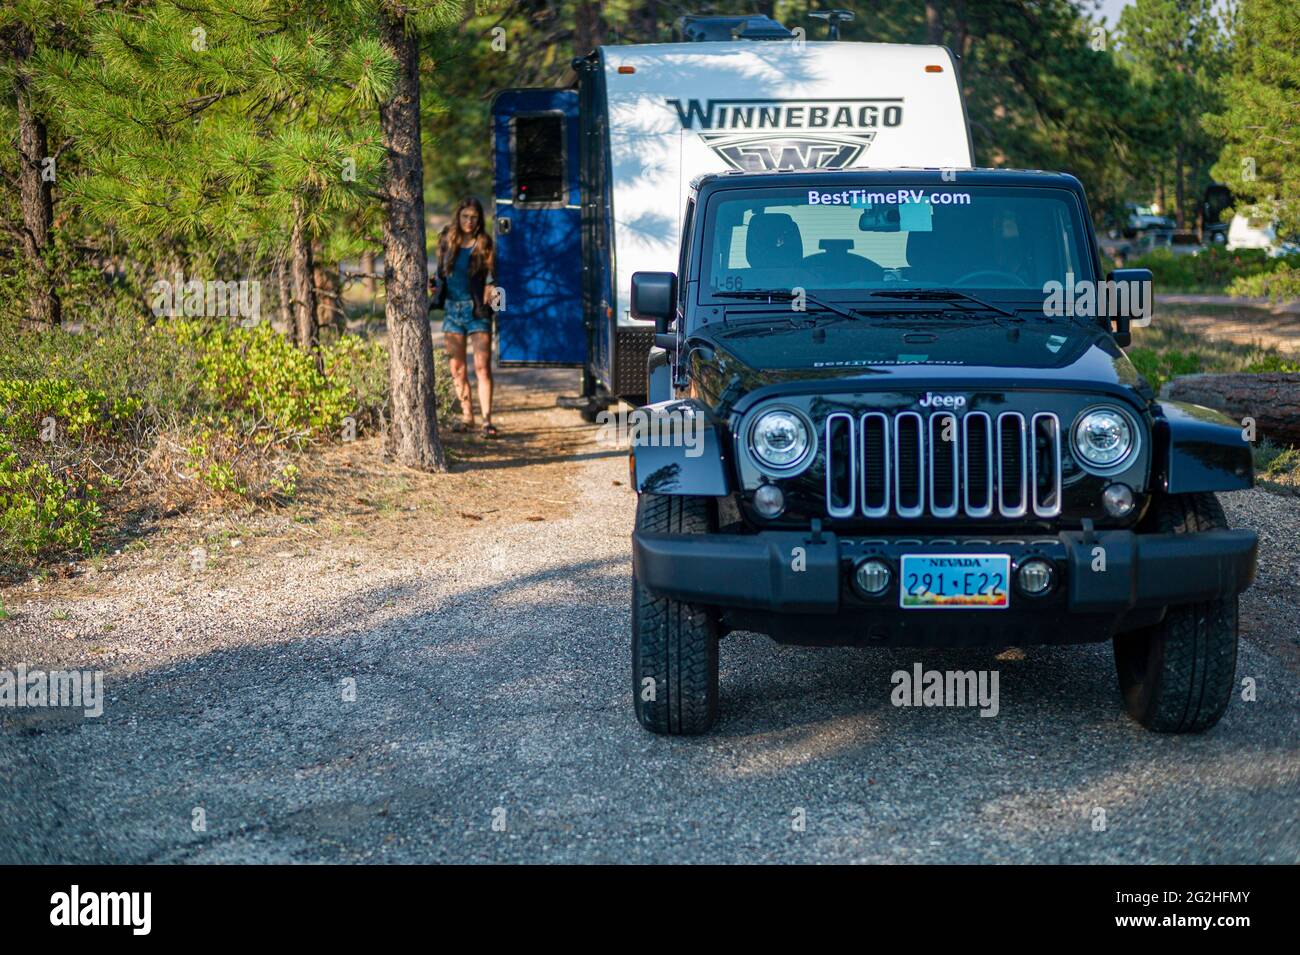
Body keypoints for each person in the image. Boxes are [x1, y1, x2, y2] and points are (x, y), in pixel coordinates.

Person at [432, 197, 498, 437]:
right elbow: (439, 274)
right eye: (465, 216)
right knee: (457, 368)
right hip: (452, 310)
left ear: (479, 220)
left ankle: (487, 421)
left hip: (477, 311)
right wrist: (433, 290)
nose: (469, 221)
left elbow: (494, 278)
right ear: (458, 217)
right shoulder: (447, 241)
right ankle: (467, 416)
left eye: (474, 217)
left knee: (482, 368)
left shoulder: (484, 243)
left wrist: (494, 305)